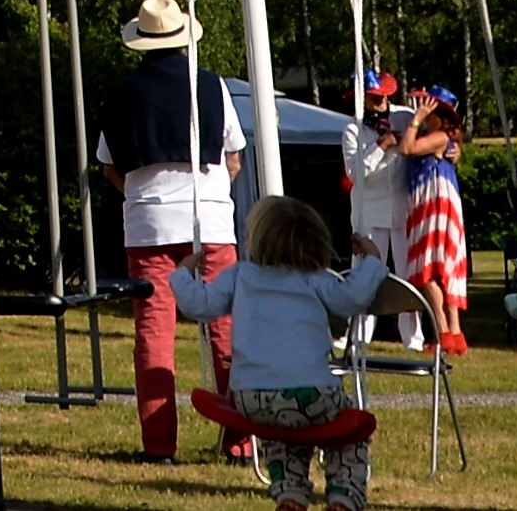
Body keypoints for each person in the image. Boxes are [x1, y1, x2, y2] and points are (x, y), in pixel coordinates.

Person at [96, 0, 248, 463]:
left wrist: (142, 193)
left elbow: (109, 166)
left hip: (149, 225)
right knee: (226, 330)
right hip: (211, 220)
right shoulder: (212, 85)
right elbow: (234, 158)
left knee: (154, 334)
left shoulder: (122, 93)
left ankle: (159, 445)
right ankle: (241, 440)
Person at [170, 195, 389, 511]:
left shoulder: (239, 275)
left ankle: (290, 494)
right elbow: (352, 298)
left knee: (280, 433)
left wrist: (183, 273)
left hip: (251, 400)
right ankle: (344, 495)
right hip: (313, 396)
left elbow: (199, 305)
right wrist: (372, 261)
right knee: (349, 431)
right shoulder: (315, 278)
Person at [339, 72, 411, 347]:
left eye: (384, 96)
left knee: (407, 273)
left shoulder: (404, 117)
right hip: (368, 208)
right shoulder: (353, 129)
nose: (380, 102)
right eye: (374, 97)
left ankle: (412, 337)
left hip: (403, 205)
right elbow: (355, 173)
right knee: (365, 273)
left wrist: (454, 147)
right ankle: (358, 334)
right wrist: (381, 145)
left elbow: (434, 134)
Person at [401, 86, 469, 353]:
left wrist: (416, 119)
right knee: (444, 268)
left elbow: (407, 148)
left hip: (434, 203)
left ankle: (443, 331)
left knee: (429, 268)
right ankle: (455, 332)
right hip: (440, 201)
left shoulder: (439, 137)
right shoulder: (445, 139)